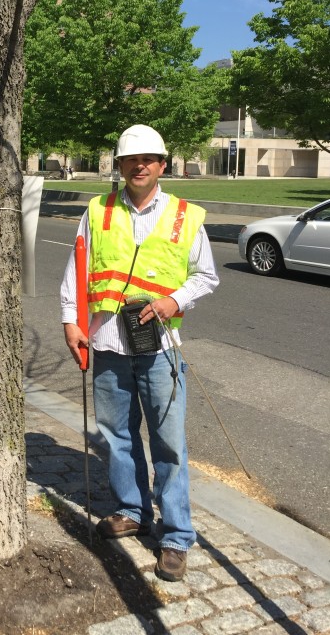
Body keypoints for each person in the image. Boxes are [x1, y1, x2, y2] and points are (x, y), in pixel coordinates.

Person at [60, 124, 218, 582]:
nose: (140, 166)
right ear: (121, 165)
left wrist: (173, 301)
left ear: (162, 165)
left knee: (168, 444)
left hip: (160, 349)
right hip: (107, 342)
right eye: (132, 159)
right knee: (116, 437)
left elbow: (205, 276)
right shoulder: (98, 210)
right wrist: (72, 321)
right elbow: (78, 268)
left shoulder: (185, 215)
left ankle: (175, 535)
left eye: (148, 159)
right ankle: (131, 510)